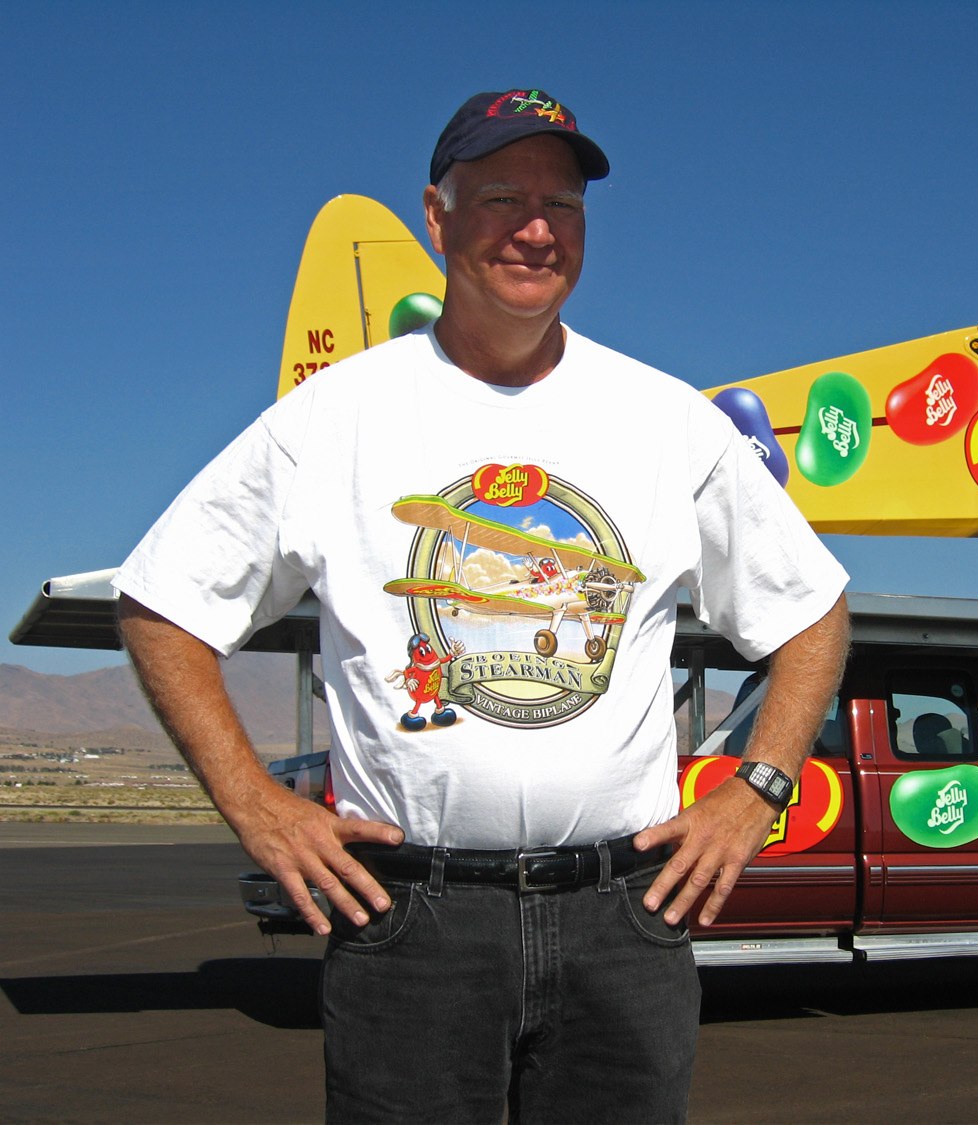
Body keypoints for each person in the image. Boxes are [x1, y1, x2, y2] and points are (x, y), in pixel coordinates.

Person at [114, 87, 851, 1123]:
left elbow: (811, 610)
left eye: (565, 205)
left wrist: (759, 787)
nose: (537, 228)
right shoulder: (337, 417)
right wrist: (255, 804)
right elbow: (162, 603)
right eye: (502, 196)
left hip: (624, 917)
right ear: (437, 217)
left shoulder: (664, 422)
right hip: (412, 920)